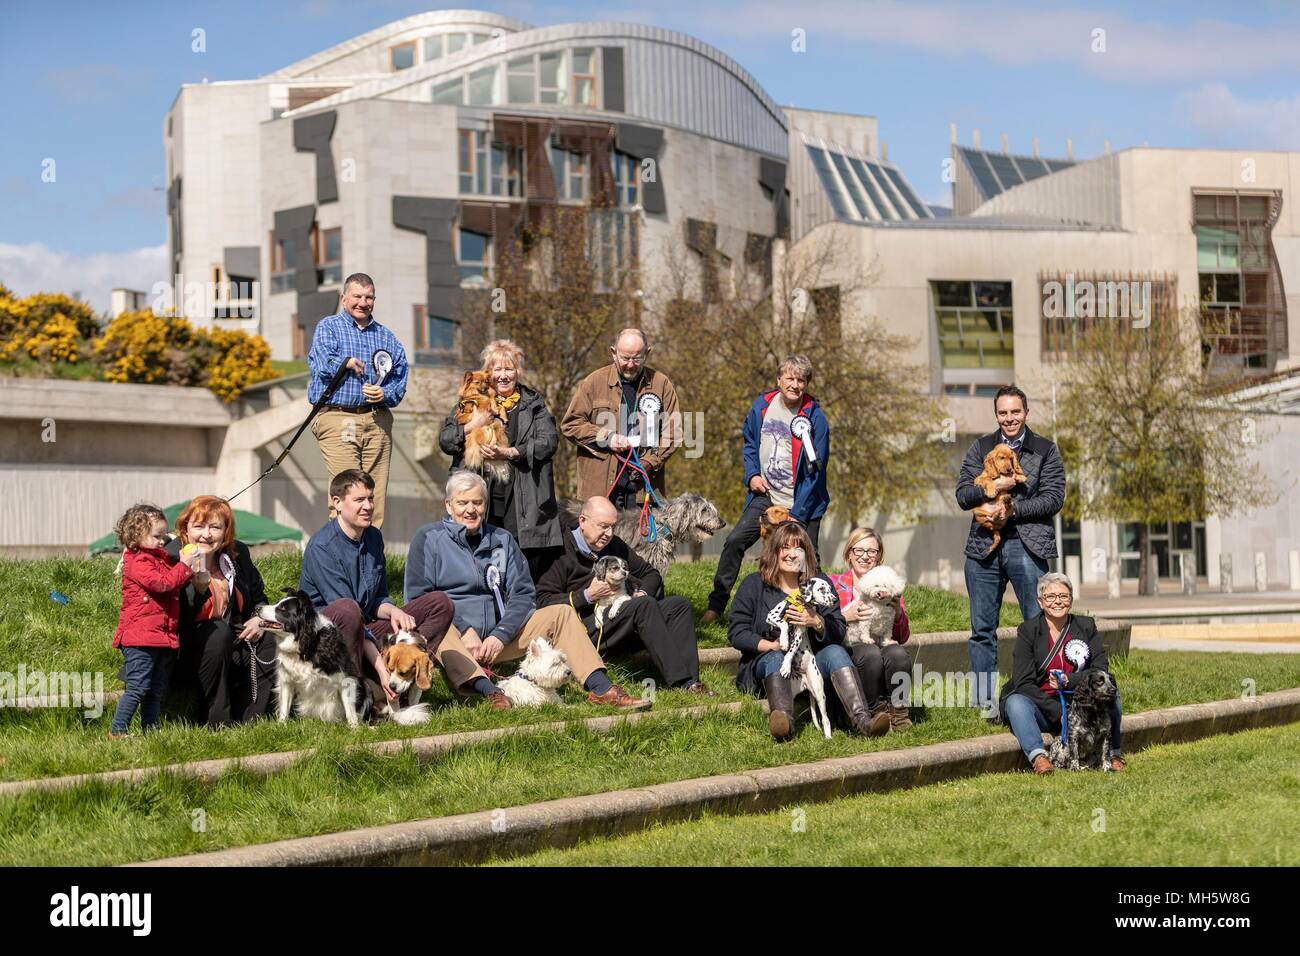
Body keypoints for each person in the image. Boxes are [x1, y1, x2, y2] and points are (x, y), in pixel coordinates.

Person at [405, 471, 649, 710]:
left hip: (500, 640)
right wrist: (465, 630)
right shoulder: (427, 538)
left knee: (561, 613)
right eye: (462, 502)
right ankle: (492, 693)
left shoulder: (502, 539)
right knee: (439, 629)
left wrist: (500, 634)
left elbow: (523, 594)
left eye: (477, 502)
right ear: (448, 506)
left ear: (485, 505)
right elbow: (419, 599)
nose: (471, 509)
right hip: (456, 641)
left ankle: (601, 688)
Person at [298, 469, 454, 710]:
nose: (368, 506)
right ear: (337, 503)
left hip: (366, 632)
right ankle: (361, 691)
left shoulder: (373, 537)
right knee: (349, 610)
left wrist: (392, 611)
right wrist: (381, 668)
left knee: (440, 603)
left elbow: (376, 599)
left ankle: (405, 677)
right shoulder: (322, 547)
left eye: (371, 498)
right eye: (359, 500)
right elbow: (350, 615)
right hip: (330, 641)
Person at [956, 384, 1065, 710]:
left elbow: (1054, 498)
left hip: (1027, 546)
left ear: (1026, 413)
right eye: (1003, 413)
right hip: (983, 547)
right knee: (982, 629)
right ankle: (984, 704)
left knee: (1038, 624)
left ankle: (1041, 696)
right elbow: (963, 494)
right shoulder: (981, 448)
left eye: (1015, 411)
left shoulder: (1045, 449)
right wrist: (993, 489)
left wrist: (1013, 510)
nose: (1009, 418)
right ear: (996, 415)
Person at [535, 496, 713, 695]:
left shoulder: (614, 544)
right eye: (603, 526)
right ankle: (682, 682)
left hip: (622, 617)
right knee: (644, 606)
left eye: (612, 526)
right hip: (588, 630)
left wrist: (641, 592)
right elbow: (543, 599)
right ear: (583, 521)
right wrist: (586, 595)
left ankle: (693, 682)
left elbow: (651, 574)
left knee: (678, 605)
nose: (609, 533)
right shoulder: (559, 551)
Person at [703, 355, 829, 624]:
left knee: (808, 558)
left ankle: (819, 616)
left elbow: (815, 470)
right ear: (779, 380)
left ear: (807, 383)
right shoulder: (762, 406)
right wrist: (751, 475)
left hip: (803, 502)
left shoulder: (815, 417)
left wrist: (799, 513)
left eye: (801, 380)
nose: (795, 384)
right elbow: (749, 442)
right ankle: (716, 606)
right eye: (790, 378)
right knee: (735, 540)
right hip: (766, 496)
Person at [728, 521, 879, 740]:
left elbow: (837, 627)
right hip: (770, 663)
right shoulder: (754, 585)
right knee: (775, 658)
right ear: (775, 551)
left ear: (806, 553)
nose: (791, 554)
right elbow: (737, 631)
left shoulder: (820, 582)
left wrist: (816, 621)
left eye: (798, 548)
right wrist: (770, 645)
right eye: (785, 548)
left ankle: (863, 722)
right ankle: (784, 724)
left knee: (836, 651)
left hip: (814, 661)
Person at [439, 339, 563, 582]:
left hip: (523, 496)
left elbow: (549, 442)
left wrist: (510, 453)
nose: (503, 376)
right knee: (480, 556)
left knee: (520, 563)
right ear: (488, 373)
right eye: (497, 370)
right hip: (483, 492)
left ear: (518, 372)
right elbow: (445, 440)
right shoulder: (469, 403)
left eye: (509, 369)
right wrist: (473, 425)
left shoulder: (533, 404)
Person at [164, 495, 277, 727]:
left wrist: (258, 619)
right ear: (185, 528)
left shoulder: (238, 554)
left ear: (226, 531)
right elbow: (176, 615)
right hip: (184, 649)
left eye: (215, 527)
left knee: (270, 640)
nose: (206, 534)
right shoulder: (172, 557)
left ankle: (252, 721)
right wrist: (195, 581)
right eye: (198, 526)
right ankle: (216, 722)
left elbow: (258, 597)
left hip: (230, 640)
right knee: (217, 632)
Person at [307, 273, 409, 528]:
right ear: (344, 299)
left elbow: (401, 376)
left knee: (373, 499)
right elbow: (322, 366)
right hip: (338, 416)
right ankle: (341, 562)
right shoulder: (328, 327)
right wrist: (346, 363)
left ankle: (371, 563)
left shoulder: (387, 337)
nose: (363, 302)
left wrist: (385, 394)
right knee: (348, 494)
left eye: (369, 297)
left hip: (377, 419)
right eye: (357, 296)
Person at [998, 572, 1125, 775]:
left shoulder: (1086, 626)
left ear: (1071, 600)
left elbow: (1100, 668)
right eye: (1050, 597)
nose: (1057, 601)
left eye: (1064, 596)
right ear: (1040, 602)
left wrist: (1069, 680)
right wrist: (1058, 713)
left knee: (1113, 694)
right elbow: (1023, 681)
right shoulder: (1028, 630)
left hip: (1081, 704)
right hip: (1042, 704)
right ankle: (1039, 758)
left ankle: (1114, 755)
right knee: (1016, 703)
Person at [560, 328, 681, 509]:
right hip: (600, 492)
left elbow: (673, 433)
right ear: (613, 353)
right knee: (602, 537)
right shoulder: (593, 382)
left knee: (641, 537)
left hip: (643, 489)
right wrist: (606, 438)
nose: (630, 365)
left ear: (647, 353)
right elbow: (571, 424)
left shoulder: (661, 384)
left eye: (637, 358)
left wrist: (650, 461)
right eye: (625, 358)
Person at [109, 503, 200, 739]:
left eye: (165, 535)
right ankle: (118, 730)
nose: (163, 541)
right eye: (157, 536)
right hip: (140, 637)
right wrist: (185, 565)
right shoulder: (138, 561)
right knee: (138, 686)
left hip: (159, 635)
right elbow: (163, 584)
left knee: (156, 689)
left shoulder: (156, 558)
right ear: (137, 536)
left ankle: (151, 729)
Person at [827, 527, 910, 733]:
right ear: (849, 553)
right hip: (850, 646)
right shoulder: (834, 584)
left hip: (883, 642)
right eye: (859, 550)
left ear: (879, 555)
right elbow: (824, 626)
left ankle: (899, 714)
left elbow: (903, 636)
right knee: (870, 653)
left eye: (871, 551)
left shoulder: (888, 584)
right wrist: (845, 616)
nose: (865, 557)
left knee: (898, 653)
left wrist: (898, 614)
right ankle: (875, 712)